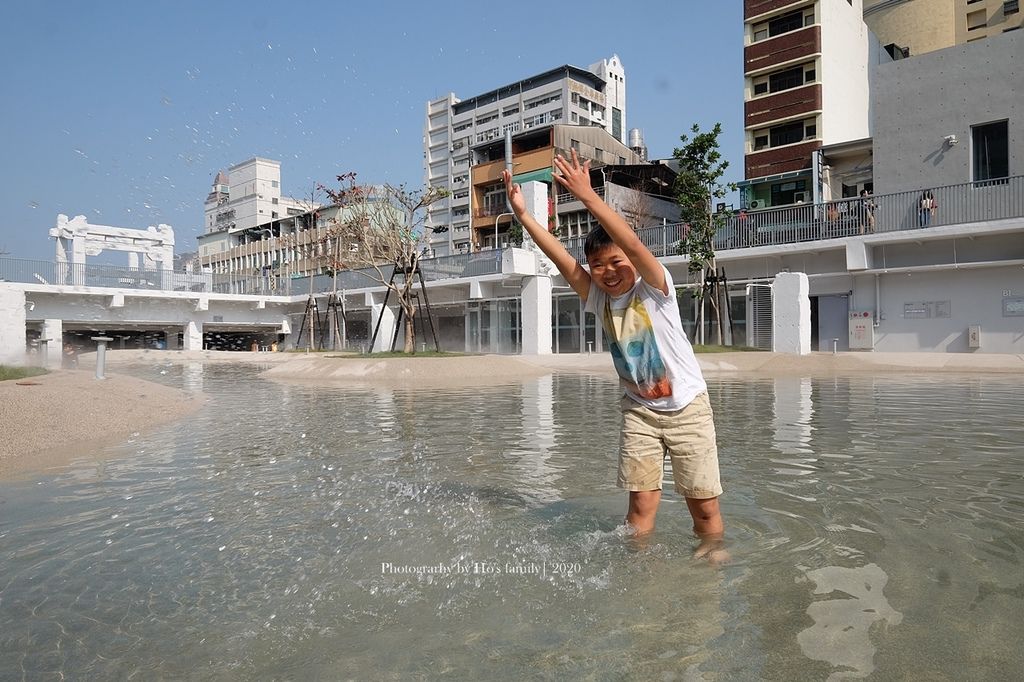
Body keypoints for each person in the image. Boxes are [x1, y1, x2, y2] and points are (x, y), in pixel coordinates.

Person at [503, 150, 725, 558]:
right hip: (639, 411)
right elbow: (560, 258)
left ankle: (712, 557)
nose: (607, 271)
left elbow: (633, 242)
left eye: (615, 261)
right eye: (597, 265)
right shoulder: (597, 299)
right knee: (639, 508)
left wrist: (590, 198)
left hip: (688, 410)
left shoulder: (656, 289)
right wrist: (523, 217)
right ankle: (638, 567)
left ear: (634, 264)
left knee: (704, 507)